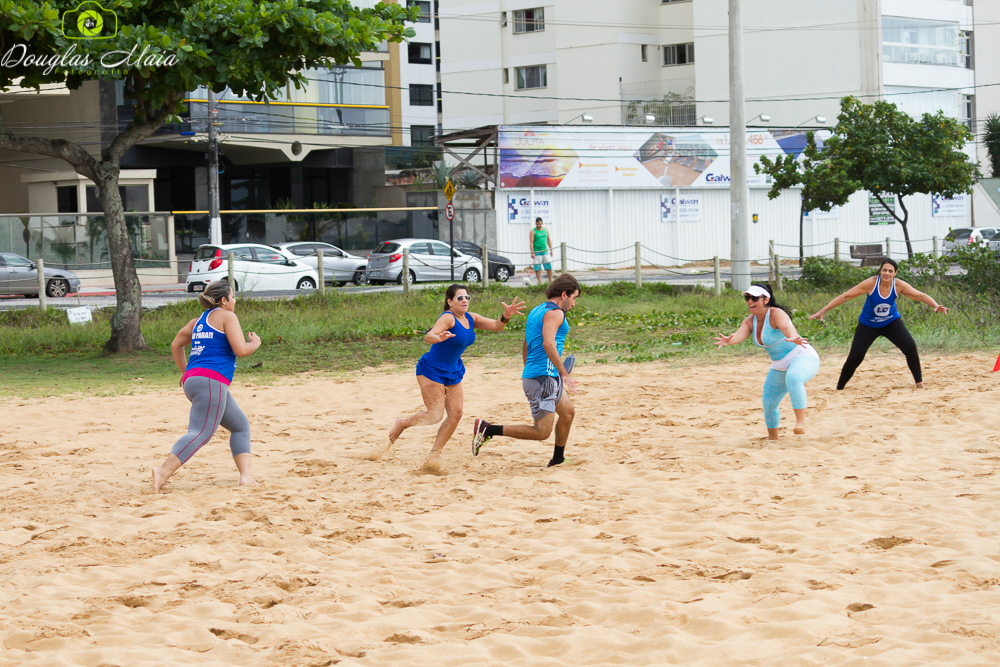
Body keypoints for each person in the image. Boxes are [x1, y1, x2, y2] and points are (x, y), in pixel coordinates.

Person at [381, 284, 526, 472]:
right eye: (460, 298)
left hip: (453, 370)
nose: (465, 300)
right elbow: (429, 336)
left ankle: (435, 453)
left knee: (456, 414)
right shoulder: (448, 317)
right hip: (432, 369)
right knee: (434, 416)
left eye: (467, 297)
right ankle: (401, 423)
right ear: (450, 302)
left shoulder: (470, 318)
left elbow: (497, 326)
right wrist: (438, 337)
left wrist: (507, 315)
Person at [152, 280, 261, 492]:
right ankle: (163, 471)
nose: (235, 300)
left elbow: (176, 344)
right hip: (211, 381)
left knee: (240, 426)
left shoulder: (197, 321)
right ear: (223, 300)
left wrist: (185, 372)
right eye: (233, 296)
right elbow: (241, 350)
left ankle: (246, 476)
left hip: (195, 381)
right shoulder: (228, 316)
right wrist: (254, 344)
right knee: (201, 432)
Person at [473, 273, 580, 467]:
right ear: (564, 294)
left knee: (568, 413)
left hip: (543, 376)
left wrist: (528, 369)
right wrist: (563, 373)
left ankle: (557, 459)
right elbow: (548, 343)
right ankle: (488, 429)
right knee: (542, 432)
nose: (574, 304)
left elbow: (527, 343)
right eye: (574, 298)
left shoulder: (537, 310)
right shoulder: (556, 313)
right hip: (544, 378)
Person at [809, 257, 947, 389]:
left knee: (910, 347)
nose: (887, 273)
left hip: (890, 322)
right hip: (868, 325)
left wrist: (935, 305)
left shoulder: (898, 285)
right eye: (884, 270)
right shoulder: (871, 283)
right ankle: (840, 387)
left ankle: (919, 382)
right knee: (856, 357)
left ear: (895, 273)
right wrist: (824, 309)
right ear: (880, 271)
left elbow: (920, 295)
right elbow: (847, 295)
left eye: (890, 271)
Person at [715, 283, 820, 440]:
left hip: (802, 355)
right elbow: (738, 335)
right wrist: (728, 341)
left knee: (794, 377)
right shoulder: (750, 320)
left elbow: (787, 328)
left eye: (755, 298)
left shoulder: (776, 313)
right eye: (747, 297)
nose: (750, 301)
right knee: (769, 403)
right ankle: (773, 439)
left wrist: (792, 336)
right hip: (779, 364)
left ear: (766, 299)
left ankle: (800, 423)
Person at [530, 217, 554, 284]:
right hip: (537, 252)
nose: (538, 225)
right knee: (538, 268)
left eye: (539, 224)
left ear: (542, 223)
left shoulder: (546, 230)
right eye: (537, 224)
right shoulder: (533, 231)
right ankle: (539, 282)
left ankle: (550, 281)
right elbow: (531, 242)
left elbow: (548, 240)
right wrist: (532, 252)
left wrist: (551, 249)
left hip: (545, 252)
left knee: (549, 266)